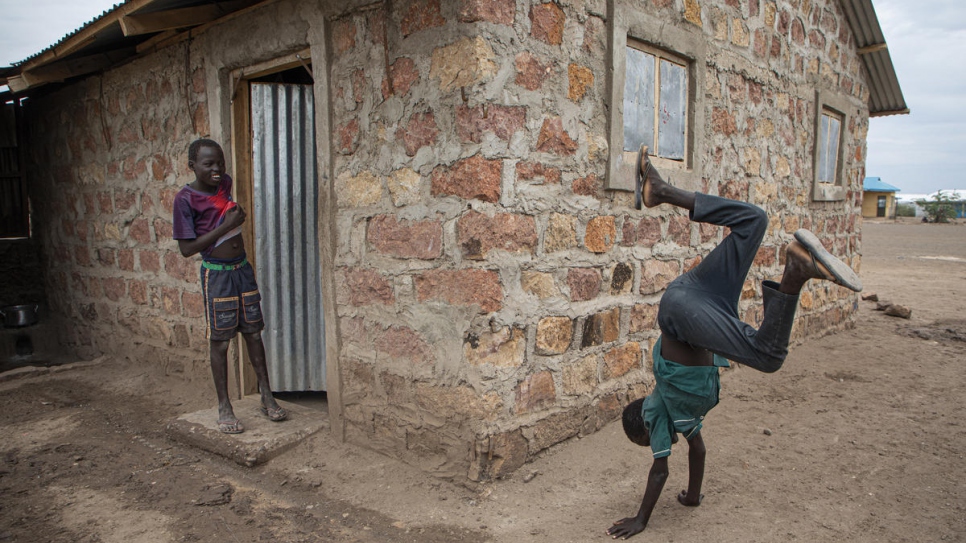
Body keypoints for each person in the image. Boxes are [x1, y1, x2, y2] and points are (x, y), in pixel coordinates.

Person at [607, 147, 862, 539]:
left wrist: (641, 519)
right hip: (699, 297)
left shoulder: (659, 417)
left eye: (650, 442)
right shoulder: (685, 421)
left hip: (683, 313)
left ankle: (795, 271)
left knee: (768, 355)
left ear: (646, 428)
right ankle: (661, 190)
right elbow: (699, 452)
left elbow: (660, 470)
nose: (661, 443)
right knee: (753, 221)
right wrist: (692, 497)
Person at [172, 138, 287, 434]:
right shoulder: (185, 200)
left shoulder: (225, 183)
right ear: (192, 166)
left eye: (220, 163)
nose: (216, 169)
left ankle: (266, 395)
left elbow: (225, 208)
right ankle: (224, 406)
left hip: (242, 270)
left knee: (252, 333)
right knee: (221, 341)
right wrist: (227, 226)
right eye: (208, 164)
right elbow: (187, 249)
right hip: (218, 275)